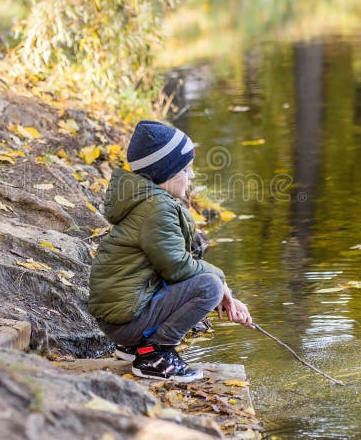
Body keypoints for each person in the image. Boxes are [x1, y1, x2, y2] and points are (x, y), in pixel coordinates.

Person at [89, 120, 252, 382]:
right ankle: (154, 354)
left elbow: (169, 267)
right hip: (125, 320)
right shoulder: (157, 209)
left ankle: (134, 348)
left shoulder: (148, 202)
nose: (193, 176)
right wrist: (221, 283)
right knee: (208, 285)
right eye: (187, 169)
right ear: (167, 173)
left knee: (207, 283)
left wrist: (226, 294)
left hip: (120, 316)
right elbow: (177, 267)